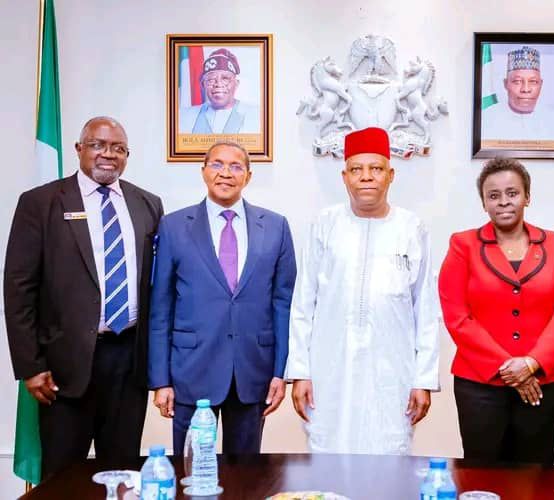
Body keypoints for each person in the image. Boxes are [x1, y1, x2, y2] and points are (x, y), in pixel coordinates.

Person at [4, 116, 163, 479]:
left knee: (123, 474)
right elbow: (18, 289)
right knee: (63, 476)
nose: (108, 155)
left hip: (129, 361)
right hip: (63, 367)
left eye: (118, 148)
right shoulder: (41, 202)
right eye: (98, 145)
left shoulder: (148, 204)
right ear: (79, 149)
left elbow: (155, 285)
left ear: (127, 156)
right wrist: (30, 366)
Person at [286, 127, 439, 454]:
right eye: (357, 169)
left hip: (392, 370)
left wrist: (423, 379)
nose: (366, 177)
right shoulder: (324, 225)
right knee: (328, 451)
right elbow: (303, 304)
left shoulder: (412, 228)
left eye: (376, 169)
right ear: (344, 177)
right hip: (329, 369)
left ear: (391, 175)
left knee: (388, 452)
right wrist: (300, 372)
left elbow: (425, 309)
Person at [148, 140, 296, 456]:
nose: (225, 173)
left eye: (236, 166)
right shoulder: (174, 226)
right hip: (190, 371)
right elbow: (161, 307)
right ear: (203, 171)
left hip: (253, 371)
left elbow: (284, 304)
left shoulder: (275, 227)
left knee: (245, 479)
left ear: (248, 176)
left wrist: (280, 371)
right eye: (217, 164)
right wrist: (161, 380)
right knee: (189, 474)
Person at [438, 157, 554, 465]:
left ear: (527, 197)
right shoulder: (463, 245)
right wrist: (511, 369)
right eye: (493, 195)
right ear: (483, 203)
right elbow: (457, 316)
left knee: (536, 475)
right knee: (482, 473)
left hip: (543, 382)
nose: (504, 202)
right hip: (479, 386)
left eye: (512, 193)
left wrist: (532, 363)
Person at [480, 45, 554, 143]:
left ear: (541, 84)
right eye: (517, 81)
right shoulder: (486, 118)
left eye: (533, 81)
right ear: (505, 84)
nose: (525, 89)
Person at [179, 48, 260, 134]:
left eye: (225, 78)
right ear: (203, 85)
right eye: (211, 79)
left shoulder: (257, 115)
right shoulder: (184, 117)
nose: (218, 84)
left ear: (236, 84)